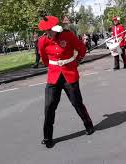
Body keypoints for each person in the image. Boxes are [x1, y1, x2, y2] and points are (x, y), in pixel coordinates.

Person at [38, 16, 94, 148]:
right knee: (49, 106)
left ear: (55, 28)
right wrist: (54, 66)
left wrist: (77, 61)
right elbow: (45, 59)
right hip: (53, 77)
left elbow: (82, 49)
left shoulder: (68, 36)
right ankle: (47, 137)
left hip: (69, 74)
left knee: (77, 103)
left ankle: (88, 125)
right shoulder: (42, 41)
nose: (48, 33)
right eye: (46, 31)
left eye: (50, 30)